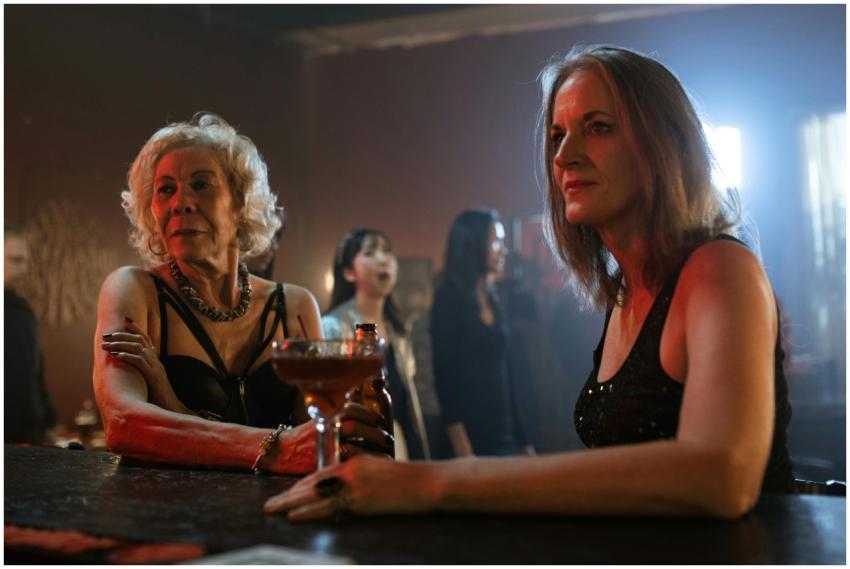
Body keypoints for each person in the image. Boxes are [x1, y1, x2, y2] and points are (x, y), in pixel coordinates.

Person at [264, 45, 796, 521]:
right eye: (558, 136)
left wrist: (431, 481)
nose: (564, 156)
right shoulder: (624, 294)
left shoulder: (718, 270)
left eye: (599, 127)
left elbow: (722, 475)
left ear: (663, 145)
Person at [93, 113, 390, 474]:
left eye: (201, 185)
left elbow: (320, 444)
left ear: (241, 203)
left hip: (278, 520)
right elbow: (124, 424)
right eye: (165, 188)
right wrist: (276, 448)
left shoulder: (294, 306)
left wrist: (171, 403)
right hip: (167, 520)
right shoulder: (135, 290)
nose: (180, 203)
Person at [429, 209, 535, 458]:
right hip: (471, 440)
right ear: (473, 244)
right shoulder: (448, 300)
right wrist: (462, 447)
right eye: (496, 241)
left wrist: (523, 441)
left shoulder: (495, 300)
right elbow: (445, 379)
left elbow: (506, 375)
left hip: (504, 435)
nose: (504, 250)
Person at [322, 228, 431, 460]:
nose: (384, 259)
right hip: (355, 449)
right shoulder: (332, 327)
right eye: (371, 252)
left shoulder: (398, 331)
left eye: (387, 251)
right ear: (349, 272)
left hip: (398, 448)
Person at [5, 224, 58, 444]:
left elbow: (35, 375)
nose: (24, 269)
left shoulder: (23, 311)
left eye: (25, 261)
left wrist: (47, 426)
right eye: (15, 260)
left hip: (29, 441)